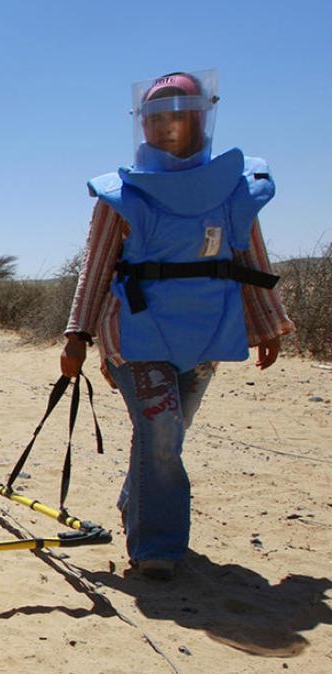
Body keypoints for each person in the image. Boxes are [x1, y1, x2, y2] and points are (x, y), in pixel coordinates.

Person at [61, 70, 292, 581]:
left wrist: (268, 324)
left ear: (200, 119)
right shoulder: (121, 193)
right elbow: (96, 265)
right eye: (156, 117)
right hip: (136, 333)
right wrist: (77, 336)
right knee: (161, 432)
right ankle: (157, 548)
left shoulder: (235, 187)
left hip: (208, 329)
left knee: (167, 437)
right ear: (142, 124)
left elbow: (248, 256)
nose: (166, 127)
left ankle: (137, 505)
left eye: (177, 116)